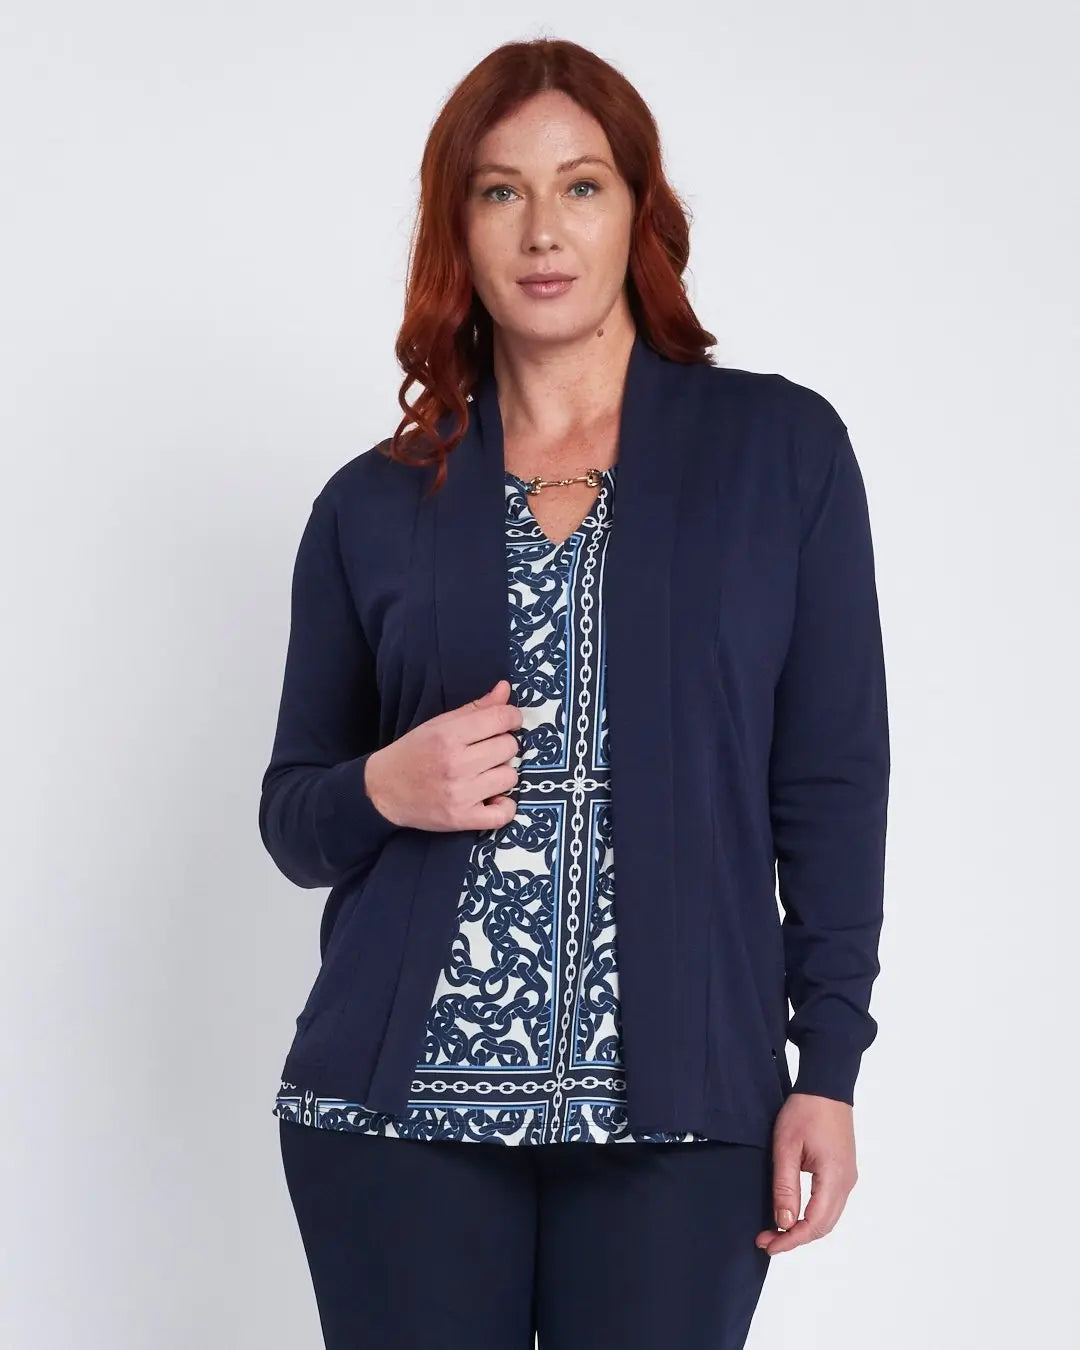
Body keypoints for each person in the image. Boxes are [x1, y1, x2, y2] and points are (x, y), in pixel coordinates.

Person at [260, 36, 890, 1350]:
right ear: (456, 228)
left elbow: (832, 783)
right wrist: (387, 784)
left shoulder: (778, 454)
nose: (543, 230)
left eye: (582, 186)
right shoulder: (374, 503)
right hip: (398, 1121)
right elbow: (294, 819)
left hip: (684, 1116)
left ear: (638, 212)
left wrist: (826, 1067)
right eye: (500, 191)